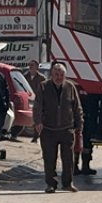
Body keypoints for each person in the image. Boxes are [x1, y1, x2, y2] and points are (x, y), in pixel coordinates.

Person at [34, 62, 84, 193]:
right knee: (49, 158)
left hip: (67, 129)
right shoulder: (43, 87)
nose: (59, 77)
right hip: (48, 130)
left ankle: (68, 183)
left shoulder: (70, 87)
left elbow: (77, 107)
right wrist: (38, 121)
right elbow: (37, 105)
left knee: (68, 159)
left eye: (61, 75)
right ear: (52, 74)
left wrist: (79, 125)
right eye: (56, 74)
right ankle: (51, 184)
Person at [26, 62, 46, 143]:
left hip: (38, 100)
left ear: (37, 67)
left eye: (32, 65)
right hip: (27, 99)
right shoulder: (25, 76)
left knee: (37, 117)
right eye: (30, 65)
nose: (30, 67)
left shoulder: (42, 78)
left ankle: (35, 136)